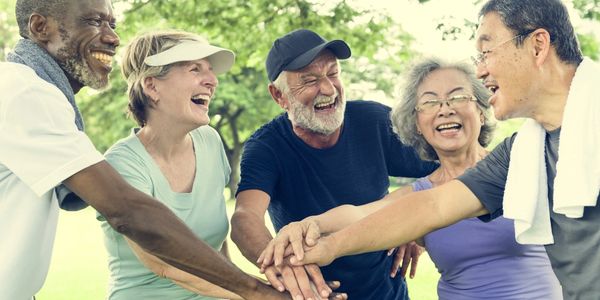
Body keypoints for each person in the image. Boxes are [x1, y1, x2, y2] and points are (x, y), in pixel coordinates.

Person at [259, 1, 599, 299]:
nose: (482, 70)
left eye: (487, 51)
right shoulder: (522, 153)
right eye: (430, 103)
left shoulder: (548, 147)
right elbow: (429, 206)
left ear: (538, 45)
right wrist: (322, 237)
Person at [0, 1, 287, 299]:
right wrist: (257, 292)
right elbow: (128, 211)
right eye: (95, 21)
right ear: (40, 27)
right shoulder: (25, 93)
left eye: (113, 24)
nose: (112, 38)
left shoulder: (33, 95)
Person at [230, 28, 438, 300]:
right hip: (316, 294)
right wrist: (283, 267)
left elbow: (449, 165)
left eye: (333, 73)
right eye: (309, 80)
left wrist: (415, 223)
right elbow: (245, 217)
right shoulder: (266, 146)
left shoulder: (373, 121)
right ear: (279, 96)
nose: (328, 89)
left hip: (387, 292)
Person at [97, 30, 242, 299]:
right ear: (152, 87)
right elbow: (163, 264)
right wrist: (258, 294)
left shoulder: (210, 142)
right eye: (194, 69)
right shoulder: (123, 165)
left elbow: (217, 252)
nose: (212, 80)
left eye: (210, 70)